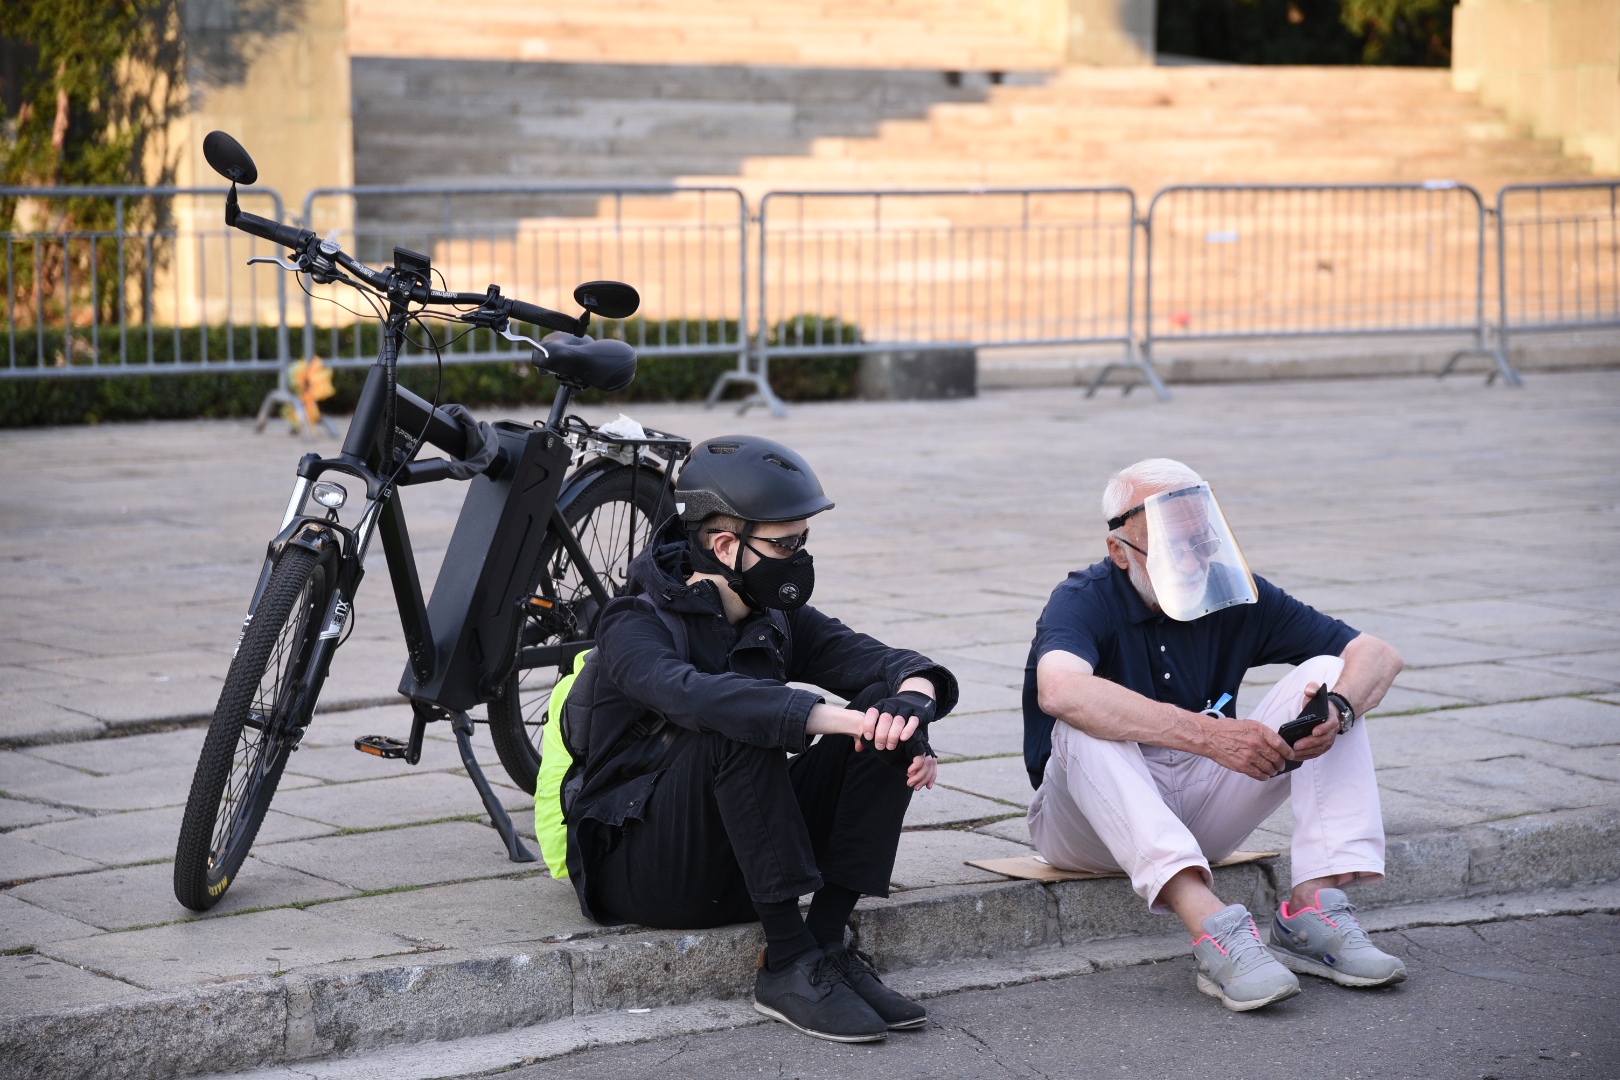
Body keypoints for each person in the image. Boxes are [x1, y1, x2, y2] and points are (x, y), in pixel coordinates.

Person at [564, 435, 958, 1043]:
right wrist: (832, 716)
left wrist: (910, 707)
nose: (798, 558)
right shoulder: (633, 622)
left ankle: (824, 945)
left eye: (802, 541)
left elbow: (888, 661)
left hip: (743, 858)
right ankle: (786, 961)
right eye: (784, 543)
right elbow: (690, 695)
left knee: (885, 719)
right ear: (725, 545)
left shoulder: (776, 615)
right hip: (648, 867)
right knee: (736, 722)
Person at [1022, 458, 1407, 1012]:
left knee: (1325, 674)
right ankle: (1212, 927)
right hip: (1083, 825)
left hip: (1201, 811)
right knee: (1082, 718)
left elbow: (1377, 654)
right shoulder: (1084, 597)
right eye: (1175, 544)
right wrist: (1209, 736)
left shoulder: (1235, 591)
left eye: (1201, 538)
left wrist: (1338, 710)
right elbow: (1058, 691)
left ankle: (1313, 908)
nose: (1195, 556)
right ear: (1120, 552)